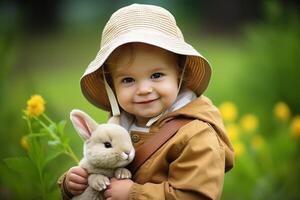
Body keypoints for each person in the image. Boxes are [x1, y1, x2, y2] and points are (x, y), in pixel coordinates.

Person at [58, 3, 234, 200]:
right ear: (111, 85)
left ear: (180, 72)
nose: (143, 90)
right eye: (128, 80)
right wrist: (75, 183)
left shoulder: (196, 134)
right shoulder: (120, 125)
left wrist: (133, 194)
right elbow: (99, 162)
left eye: (157, 75)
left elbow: (196, 195)